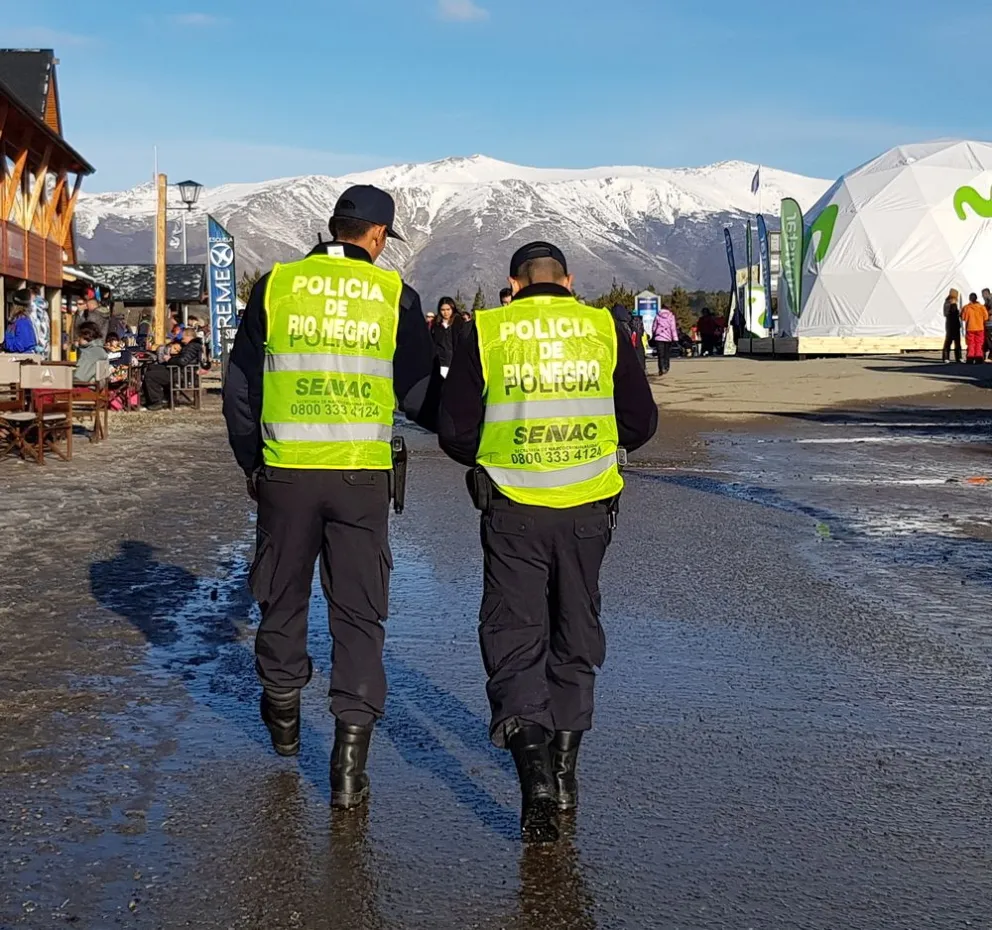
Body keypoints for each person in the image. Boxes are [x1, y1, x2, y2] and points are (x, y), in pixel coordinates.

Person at [222, 184, 438, 808]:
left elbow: (241, 387)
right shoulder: (395, 294)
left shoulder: (277, 285)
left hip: (285, 470)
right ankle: (348, 767)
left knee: (280, 597)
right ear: (376, 237)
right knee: (358, 613)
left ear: (332, 227)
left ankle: (284, 713)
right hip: (359, 476)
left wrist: (252, 462)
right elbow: (419, 392)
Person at [438, 241, 657, 843]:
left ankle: (532, 773)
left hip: (513, 506)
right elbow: (640, 425)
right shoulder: (604, 327)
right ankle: (565, 771)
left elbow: (455, 432)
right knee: (575, 631)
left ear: (513, 284)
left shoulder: (487, 329)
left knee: (514, 636)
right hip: (588, 507)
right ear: (569, 280)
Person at [141, 327, 203, 409]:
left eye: (183, 336)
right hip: (179, 371)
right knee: (152, 367)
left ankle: (156, 401)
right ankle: (154, 398)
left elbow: (182, 361)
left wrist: (170, 359)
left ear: (189, 336)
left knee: (150, 376)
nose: (181, 338)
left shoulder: (192, 346)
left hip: (181, 375)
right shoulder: (192, 346)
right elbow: (183, 359)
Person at [432, 297, 462, 377]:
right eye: (443, 310)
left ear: (452, 308)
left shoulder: (459, 323)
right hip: (440, 363)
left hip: (456, 363)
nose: (445, 312)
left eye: (448, 309)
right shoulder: (436, 324)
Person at [961, 292, 988, 364]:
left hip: (970, 328)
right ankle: (979, 358)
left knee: (971, 344)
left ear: (969, 299)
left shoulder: (966, 308)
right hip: (980, 328)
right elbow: (986, 317)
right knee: (979, 343)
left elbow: (963, 318)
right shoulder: (982, 307)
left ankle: (970, 358)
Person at [651, 304, 678, 375]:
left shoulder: (657, 316)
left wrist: (653, 334)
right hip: (668, 337)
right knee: (666, 353)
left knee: (660, 354)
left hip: (659, 337)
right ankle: (666, 367)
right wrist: (675, 338)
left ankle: (661, 368)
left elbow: (654, 327)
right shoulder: (671, 316)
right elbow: (673, 328)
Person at [27, 286, 51, 358]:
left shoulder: (32, 308)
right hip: (45, 347)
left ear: (32, 295)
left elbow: (34, 329)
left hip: (37, 348)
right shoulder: (44, 311)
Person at [943, 289, 962, 363]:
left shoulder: (950, 303)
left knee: (956, 342)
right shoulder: (949, 303)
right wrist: (954, 306)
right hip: (951, 324)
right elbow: (949, 314)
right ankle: (947, 357)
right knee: (949, 341)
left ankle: (957, 357)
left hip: (953, 324)